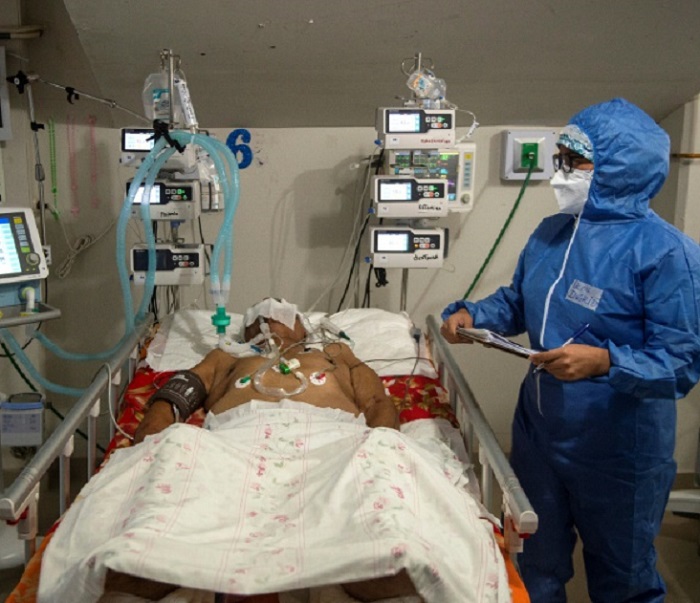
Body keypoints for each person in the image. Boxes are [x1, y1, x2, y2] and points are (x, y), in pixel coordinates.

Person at [441, 98, 700, 602]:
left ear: (620, 168)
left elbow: (681, 362)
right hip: (540, 431)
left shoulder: (666, 252)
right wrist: (473, 315)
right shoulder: (552, 233)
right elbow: (518, 301)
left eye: (573, 160)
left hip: (617, 446)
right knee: (535, 563)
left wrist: (605, 361)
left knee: (623, 577)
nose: (559, 171)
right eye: (558, 157)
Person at [135, 297, 400, 444]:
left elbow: (377, 402)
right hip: (236, 436)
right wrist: (152, 443)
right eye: (260, 312)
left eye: (283, 310)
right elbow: (175, 396)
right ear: (246, 332)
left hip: (332, 434)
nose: (271, 312)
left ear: (305, 330)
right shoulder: (225, 356)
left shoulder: (335, 352)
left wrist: (382, 447)